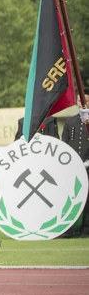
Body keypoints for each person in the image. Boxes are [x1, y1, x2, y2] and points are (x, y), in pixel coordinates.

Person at [61, 92, 89, 237]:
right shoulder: (70, 122)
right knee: (70, 197)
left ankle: (86, 230)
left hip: (87, 166)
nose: (81, 102)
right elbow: (64, 144)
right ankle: (68, 229)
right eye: (79, 100)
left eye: (84, 100)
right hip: (73, 166)